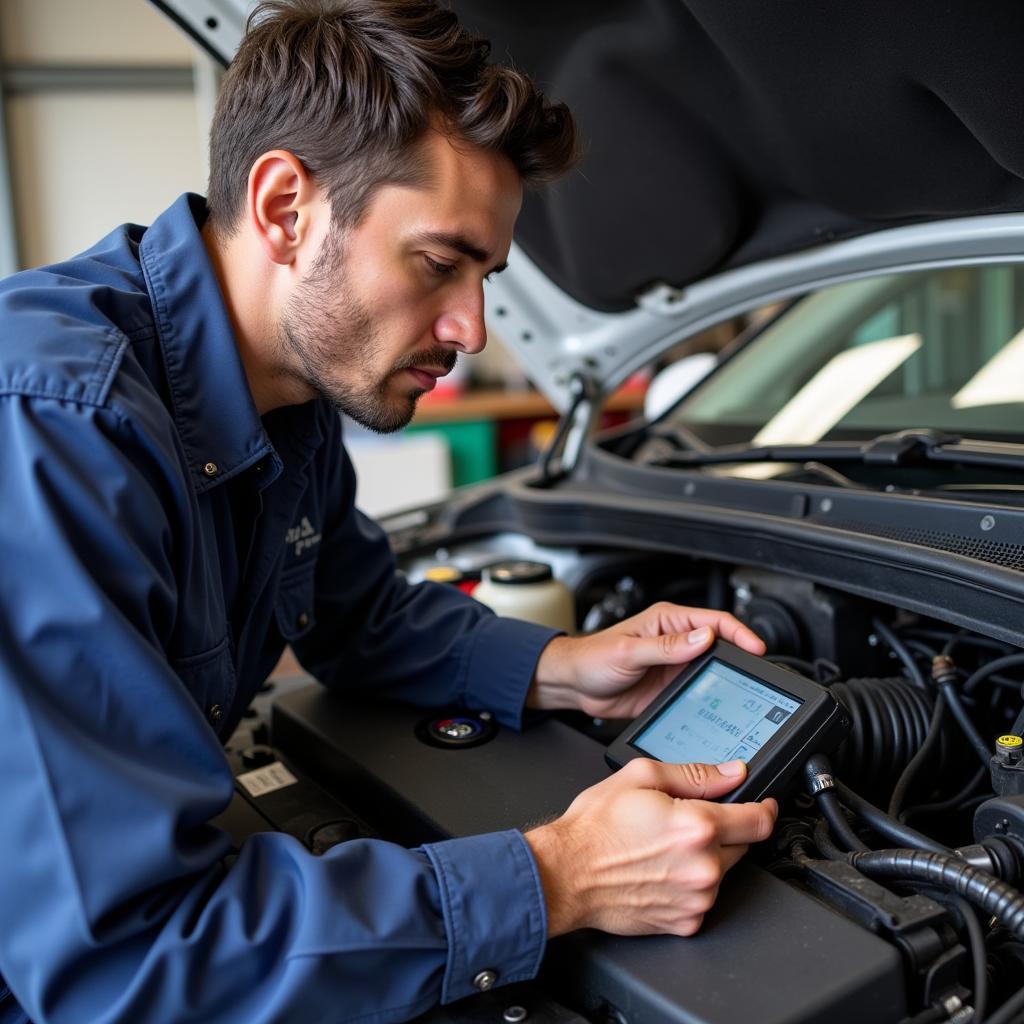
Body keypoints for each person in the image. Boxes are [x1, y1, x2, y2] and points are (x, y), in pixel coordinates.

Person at [0, 2, 777, 1021]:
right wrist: (556, 877)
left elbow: (354, 611)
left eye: (488, 278)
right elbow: (128, 961)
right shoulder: (56, 432)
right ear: (286, 208)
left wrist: (563, 668)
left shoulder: (287, 391)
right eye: (439, 261)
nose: (470, 327)